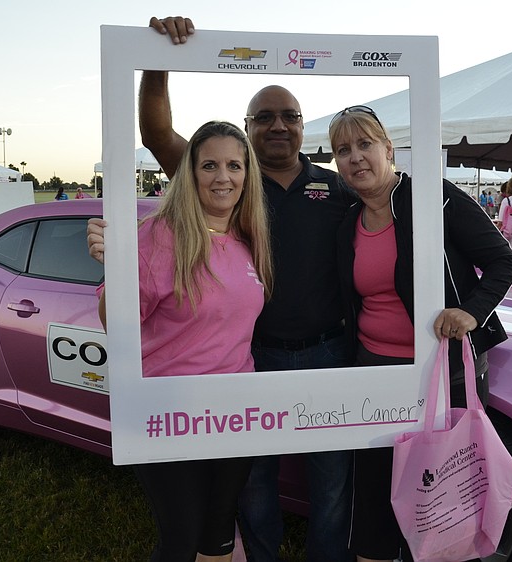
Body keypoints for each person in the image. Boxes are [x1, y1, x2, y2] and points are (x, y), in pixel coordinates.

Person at [90, 16, 358, 562]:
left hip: (322, 356)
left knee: (329, 487)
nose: (278, 125)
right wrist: (157, 54)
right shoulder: (226, 188)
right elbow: (157, 134)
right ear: (248, 127)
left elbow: (387, 220)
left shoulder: (334, 188)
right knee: (249, 496)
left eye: (289, 116)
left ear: (304, 125)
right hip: (239, 371)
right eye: (264, 117)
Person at [328, 106, 512, 562]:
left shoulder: (435, 199)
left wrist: (471, 312)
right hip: (373, 371)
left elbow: (502, 261)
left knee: (441, 485)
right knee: (373, 487)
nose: (355, 157)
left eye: (365, 144)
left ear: (389, 149)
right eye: (342, 150)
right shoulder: (347, 220)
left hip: (442, 371)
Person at [96, 120, 273, 562]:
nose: (223, 177)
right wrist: (114, 271)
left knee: (217, 539)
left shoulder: (248, 239)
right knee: (181, 540)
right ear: (189, 173)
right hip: (167, 412)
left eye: (234, 165)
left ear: (248, 175)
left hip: (234, 414)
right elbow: (114, 324)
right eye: (209, 165)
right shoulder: (158, 236)